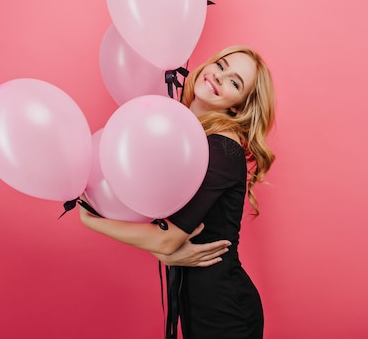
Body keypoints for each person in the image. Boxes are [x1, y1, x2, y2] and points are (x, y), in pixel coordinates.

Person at [79, 45, 276, 339]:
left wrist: (91, 221)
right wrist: (167, 252)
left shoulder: (222, 148)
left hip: (226, 313)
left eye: (235, 82)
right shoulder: (188, 136)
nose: (219, 77)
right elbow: (168, 236)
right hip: (199, 304)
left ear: (238, 106)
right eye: (221, 66)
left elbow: (169, 238)